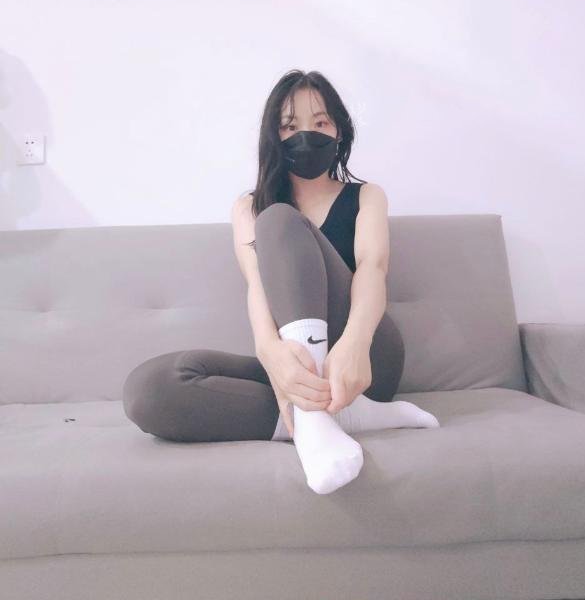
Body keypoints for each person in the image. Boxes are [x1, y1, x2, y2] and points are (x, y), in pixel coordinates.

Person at [122, 69, 439, 495]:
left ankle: (316, 417)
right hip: (303, 365)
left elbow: (372, 269)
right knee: (150, 389)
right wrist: (270, 352)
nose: (306, 136)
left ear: (340, 131)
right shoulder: (247, 208)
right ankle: (336, 418)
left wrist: (355, 343)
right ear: (273, 136)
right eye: (290, 126)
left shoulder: (366, 196)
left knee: (278, 221)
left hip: (365, 357)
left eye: (320, 122)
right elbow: (257, 286)